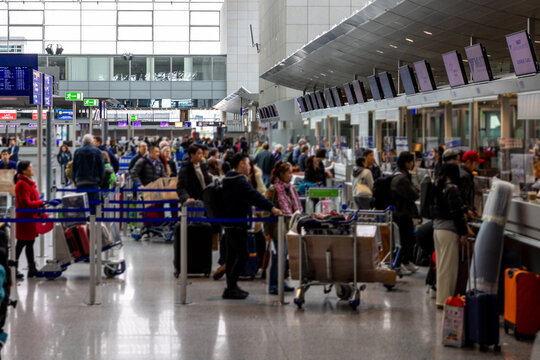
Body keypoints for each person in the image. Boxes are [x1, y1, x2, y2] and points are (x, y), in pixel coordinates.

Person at [221, 153, 282, 299]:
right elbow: (254, 196)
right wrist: (271, 208)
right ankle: (231, 287)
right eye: (248, 164)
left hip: (229, 222)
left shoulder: (228, 178)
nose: (250, 167)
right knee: (242, 255)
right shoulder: (239, 180)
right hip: (237, 222)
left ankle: (231, 287)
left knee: (231, 257)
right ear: (241, 164)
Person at [431, 163, 473, 309]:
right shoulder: (452, 188)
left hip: (437, 229)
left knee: (442, 266)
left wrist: (465, 209)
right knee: (448, 269)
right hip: (449, 231)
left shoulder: (438, 186)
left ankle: (440, 298)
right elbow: (456, 214)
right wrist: (463, 232)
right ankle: (444, 301)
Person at [265, 161, 301, 294]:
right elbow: (267, 210)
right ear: (281, 174)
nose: (291, 175)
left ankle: (281, 281)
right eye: (289, 173)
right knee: (278, 257)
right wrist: (266, 231)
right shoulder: (274, 189)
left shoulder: (289, 188)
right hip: (277, 229)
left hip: (287, 227)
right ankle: (273, 284)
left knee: (284, 255)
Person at [390, 151, 420, 275]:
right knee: (405, 239)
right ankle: (399, 263)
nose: (412, 164)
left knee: (405, 238)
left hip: (398, 212)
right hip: (402, 213)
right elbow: (413, 194)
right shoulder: (402, 178)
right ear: (407, 162)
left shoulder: (397, 174)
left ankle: (405, 262)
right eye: (411, 161)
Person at [14, 161, 45, 279]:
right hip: (25, 218)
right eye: (30, 168)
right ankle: (13, 267)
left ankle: (31, 269)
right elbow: (26, 203)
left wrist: (40, 204)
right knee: (22, 243)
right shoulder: (22, 184)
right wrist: (40, 203)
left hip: (30, 218)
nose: (32, 170)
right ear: (24, 171)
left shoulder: (28, 183)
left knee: (28, 243)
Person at [72, 134, 105, 204]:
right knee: (93, 205)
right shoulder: (97, 151)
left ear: (83, 142)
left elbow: (74, 167)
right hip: (93, 182)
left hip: (80, 181)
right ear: (92, 142)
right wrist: (100, 181)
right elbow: (101, 167)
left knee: (81, 205)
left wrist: (75, 180)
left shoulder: (77, 151)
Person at [460, 151, 482, 219]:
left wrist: (473, 208)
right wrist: (468, 209)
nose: (476, 166)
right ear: (468, 162)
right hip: (464, 213)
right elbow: (464, 196)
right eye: (475, 163)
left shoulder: (459, 171)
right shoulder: (465, 176)